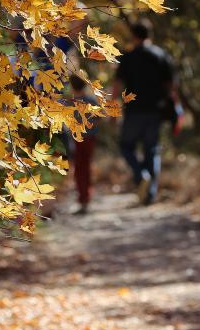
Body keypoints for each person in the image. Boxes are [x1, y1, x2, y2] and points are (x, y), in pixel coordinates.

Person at [114, 21, 179, 205]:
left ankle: (141, 174)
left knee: (126, 146)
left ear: (134, 36)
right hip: (155, 111)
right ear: (150, 35)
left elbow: (117, 85)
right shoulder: (161, 56)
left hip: (133, 111)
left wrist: (112, 109)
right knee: (152, 150)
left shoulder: (128, 57)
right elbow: (172, 85)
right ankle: (150, 193)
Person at [68, 74, 98, 214]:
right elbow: (99, 117)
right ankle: (86, 197)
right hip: (91, 139)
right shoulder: (91, 101)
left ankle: (83, 198)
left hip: (77, 140)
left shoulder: (70, 102)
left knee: (79, 169)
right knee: (86, 167)